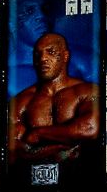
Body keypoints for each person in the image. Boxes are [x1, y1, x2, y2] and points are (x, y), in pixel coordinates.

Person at [8, 31, 99, 164]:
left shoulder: (88, 91)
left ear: (65, 56)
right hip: (32, 176)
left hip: (83, 174)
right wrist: (37, 154)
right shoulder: (21, 101)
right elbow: (10, 146)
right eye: (37, 54)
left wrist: (37, 134)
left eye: (51, 52)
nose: (43, 58)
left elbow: (89, 128)